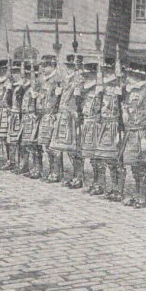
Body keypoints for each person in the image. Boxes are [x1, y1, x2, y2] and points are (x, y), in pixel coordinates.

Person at [120, 61, 146, 208]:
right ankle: (136, 194)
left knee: (142, 167)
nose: (128, 78)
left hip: (141, 134)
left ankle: (142, 197)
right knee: (134, 167)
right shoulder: (130, 92)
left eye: (130, 75)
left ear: (136, 76)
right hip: (131, 132)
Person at [49, 54, 85, 188]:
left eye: (72, 67)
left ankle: (78, 177)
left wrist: (79, 94)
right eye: (68, 67)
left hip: (73, 118)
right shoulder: (65, 82)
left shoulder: (80, 81)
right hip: (62, 117)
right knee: (59, 148)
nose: (70, 70)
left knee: (74, 150)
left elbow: (81, 102)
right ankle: (61, 174)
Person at [95, 57, 125, 201]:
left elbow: (124, 107)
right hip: (104, 125)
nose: (106, 73)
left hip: (116, 125)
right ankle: (113, 187)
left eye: (108, 71)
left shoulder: (120, 86)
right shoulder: (103, 87)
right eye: (105, 70)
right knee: (107, 159)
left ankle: (119, 189)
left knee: (117, 160)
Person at [37, 55, 62, 182]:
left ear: (52, 66)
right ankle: (52, 171)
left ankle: (56, 173)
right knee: (46, 146)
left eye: (44, 66)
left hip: (53, 116)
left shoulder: (57, 79)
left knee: (54, 147)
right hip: (45, 115)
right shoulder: (44, 80)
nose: (42, 68)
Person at [80, 61, 104, 194]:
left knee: (98, 156)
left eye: (89, 75)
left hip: (96, 124)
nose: (86, 77)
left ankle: (100, 183)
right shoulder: (87, 89)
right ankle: (95, 182)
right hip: (87, 123)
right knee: (91, 156)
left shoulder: (99, 89)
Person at [19, 62, 41, 178]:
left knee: (34, 145)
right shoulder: (27, 88)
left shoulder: (38, 88)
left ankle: (37, 168)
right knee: (24, 144)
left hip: (33, 118)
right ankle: (25, 166)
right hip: (25, 117)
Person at [7, 61, 28, 174]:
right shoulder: (14, 86)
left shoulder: (24, 86)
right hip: (14, 115)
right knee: (14, 141)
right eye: (13, 72)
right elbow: (9, 101)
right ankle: (15, 162)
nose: (14, 75)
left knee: (22, 141)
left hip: (21, 115)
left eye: (16, 72)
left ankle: (23, 164)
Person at [0, 60, 13, 169]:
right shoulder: (0, 82)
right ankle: (0, 159)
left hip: (6, 111)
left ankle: (10, 160)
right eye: (0, 69)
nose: (1, 71)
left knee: (7, 137)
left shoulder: (9, 82)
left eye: (3, 69)